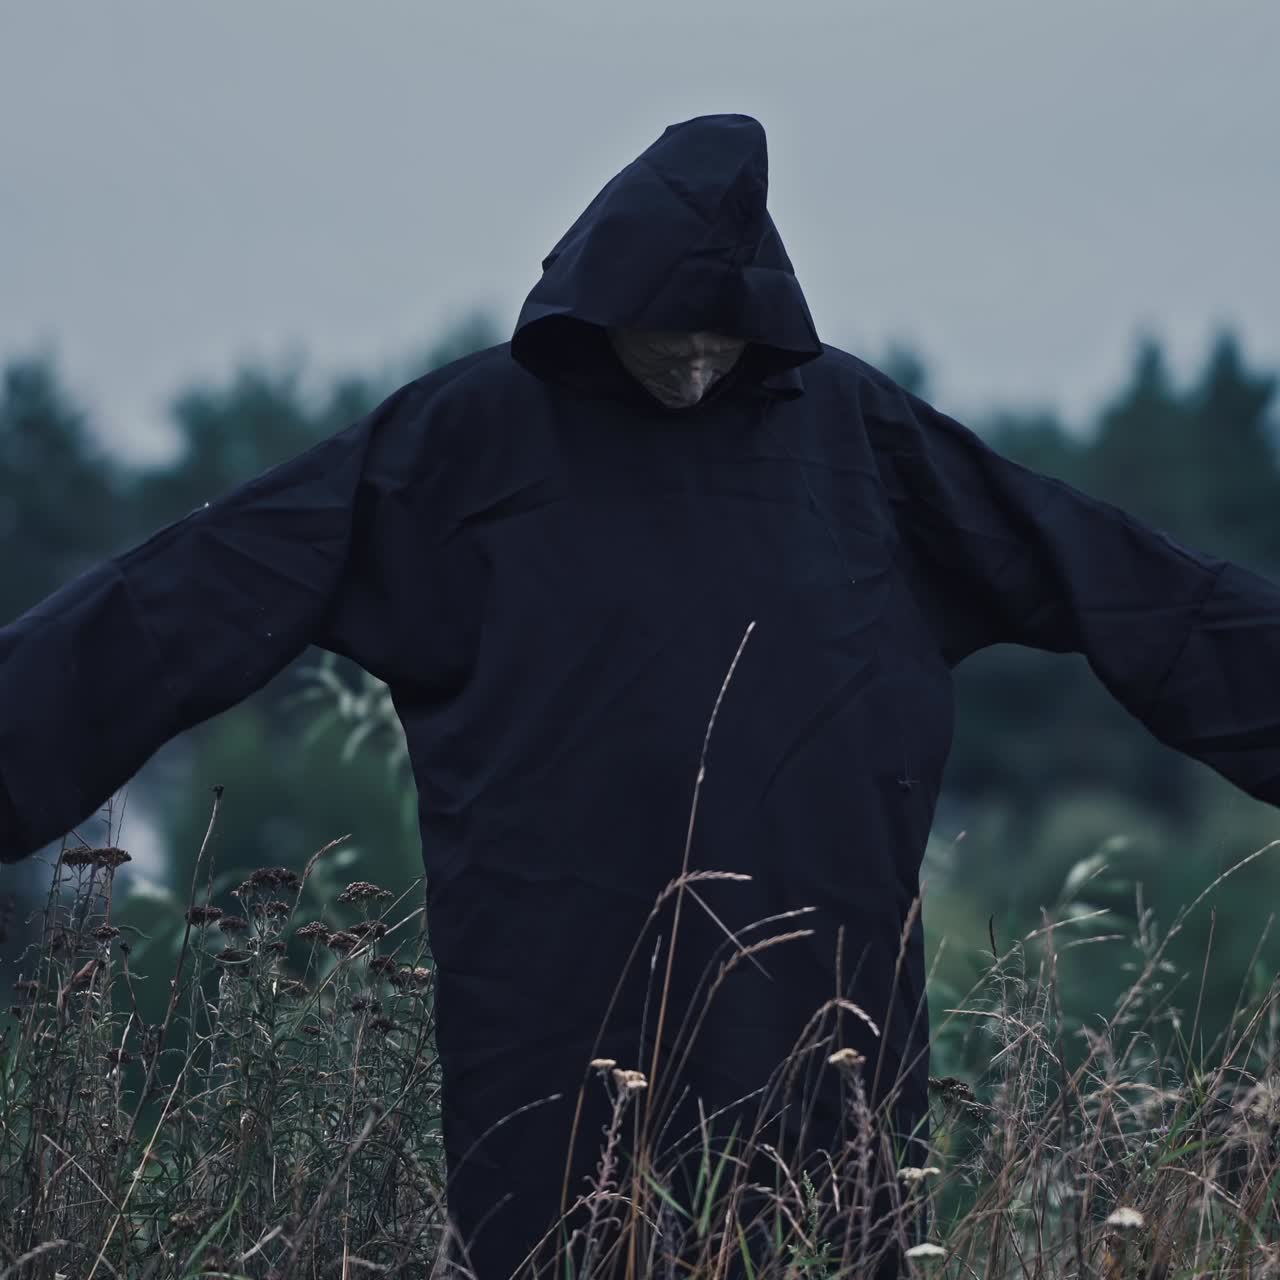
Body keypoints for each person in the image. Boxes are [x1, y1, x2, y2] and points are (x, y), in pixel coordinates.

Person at [2, 112, 1279, 1277]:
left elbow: (1119, 578)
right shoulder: (468, 441)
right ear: (599, 305)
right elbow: (195, 588)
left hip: (810, 973)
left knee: (819, 1226)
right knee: (560, 1229)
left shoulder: (852, 439)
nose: (692, 365)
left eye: (722, 339)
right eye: (671, 333)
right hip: (553, 981)